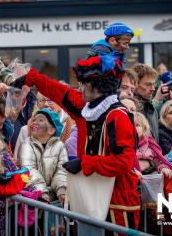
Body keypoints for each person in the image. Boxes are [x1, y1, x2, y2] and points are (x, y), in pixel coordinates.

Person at [11, 54, 140, 231]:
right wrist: (32, 79)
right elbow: (60, 92)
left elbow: (123, 162)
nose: (81, 87)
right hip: (89, 196)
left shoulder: (118, 117)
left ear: (97, 86)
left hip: (118, 202)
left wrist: (84, 163)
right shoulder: (85, 107)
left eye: (84, 83)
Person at [18, 108, 67, 203]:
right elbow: (28, 169)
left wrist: (61, 189)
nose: (34, 123)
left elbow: (61, 170)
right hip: (34, 197)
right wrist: (41, 192)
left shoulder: (60, 146)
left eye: (40, 120)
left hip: (54, 198)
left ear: (51, 130)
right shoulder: (26, 144)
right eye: (34, 120)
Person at [134, 112, 172, 177]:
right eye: (130, 125)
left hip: (147, 176)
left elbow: (158, 160)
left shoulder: (150, 144)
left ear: (144, 129)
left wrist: (163, 168)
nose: (134, 128)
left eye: (137, 125)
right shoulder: (123, 145)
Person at [133, 63, 159, 140]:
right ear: (135, 84)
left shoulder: (151, 108)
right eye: (148, 85)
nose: (153, 89)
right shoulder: (131, 108)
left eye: (154, 84)